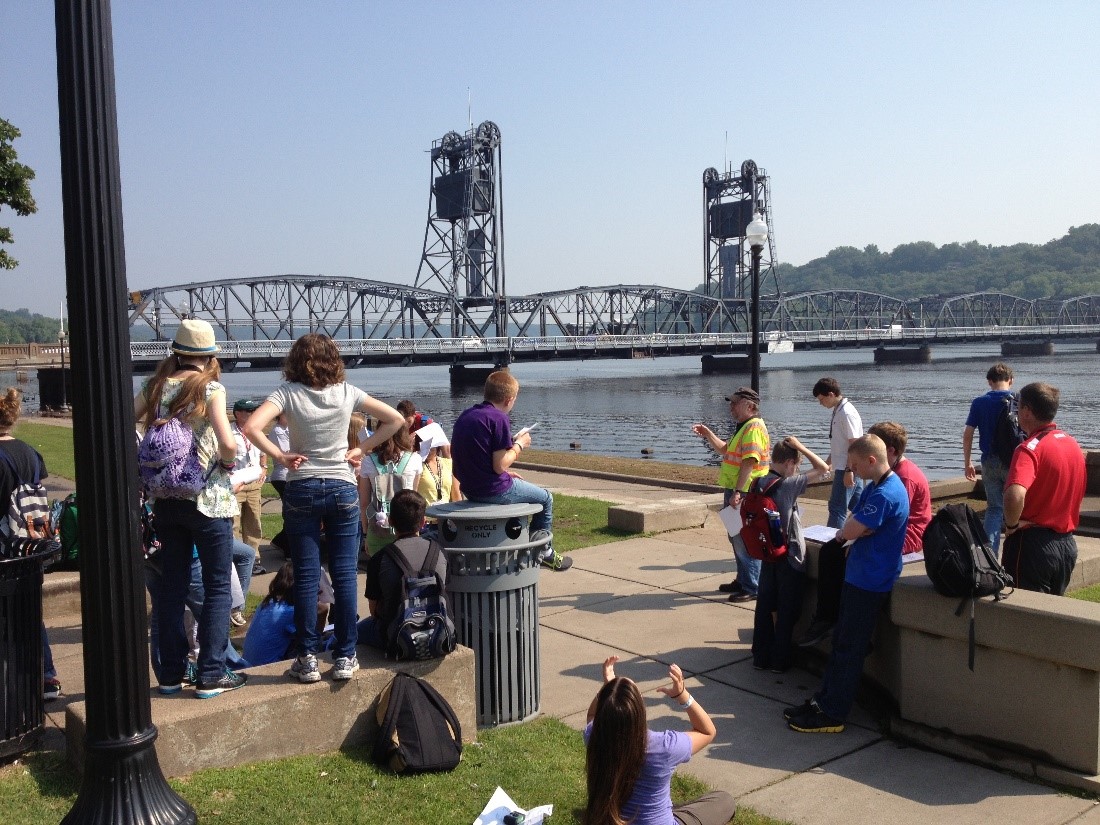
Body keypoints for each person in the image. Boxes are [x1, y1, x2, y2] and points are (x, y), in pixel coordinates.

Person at [243, 332, 404, 684]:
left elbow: (252, 426)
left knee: (305, 575)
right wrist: (362, 449)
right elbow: (396, 420)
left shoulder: (287, 393)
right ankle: (346, 655)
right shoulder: (348, 393)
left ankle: (307, 657)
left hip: (302, 489)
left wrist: (280, 456)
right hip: (343, 487)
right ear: (334, 360)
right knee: (345, 574)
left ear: (295, 361)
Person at [133, 319, 247, 698]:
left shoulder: (155, 387)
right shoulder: (211, 389)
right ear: (209, 356)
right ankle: (211, 674)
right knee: (217, 588)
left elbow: (125, 421)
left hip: (166, 500)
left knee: (171, 587)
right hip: (207, 500)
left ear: (176, 352)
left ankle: (169, 674)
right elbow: (228, 444)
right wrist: (228, 464)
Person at [786, 434, 908, 734]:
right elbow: (854, 522)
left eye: (854, 465)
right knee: (841, 644)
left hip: (870, 582)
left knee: (849, 649)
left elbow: (849, 528)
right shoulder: (876, 486)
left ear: (871, 460)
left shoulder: (886, 493)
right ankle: (823, 701)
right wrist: (853, 530)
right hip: (859, 577)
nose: (851, 470)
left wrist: (849, 533)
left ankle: (833, 713)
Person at [797, 421, 931, 648]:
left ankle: (829, 619)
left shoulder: (903, 478)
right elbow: (858, 517)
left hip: (906, 535)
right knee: (832, 550)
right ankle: (827, 618)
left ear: (889, 451)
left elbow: (885, 520)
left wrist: (856, 532)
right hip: (888, 529)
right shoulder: (885, 475)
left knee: (839, 554)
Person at [583, 655, 735, 825]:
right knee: (723, 800)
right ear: (639, 710)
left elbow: (591, 715)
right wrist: (682, 695)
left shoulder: (595, 738)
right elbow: (708, 731)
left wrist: (609, 690)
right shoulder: (664, 747)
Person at [451, 370, 572, 571]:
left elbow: (477, 458)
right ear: (509, 400)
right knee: (546, 498)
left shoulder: (466, 416)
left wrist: (504, 473)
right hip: (492, 490)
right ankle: (544, 551)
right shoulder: (499, 419)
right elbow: (499, 464)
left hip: (470, 488)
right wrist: (520, 445)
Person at [0, 387, 62, 701]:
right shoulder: (29, 453)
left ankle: (14, 688)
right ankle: (47, 676)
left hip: (4, 547)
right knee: (31, 612)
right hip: (30, 544)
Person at [751, 436, 830, 673]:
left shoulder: (758, 482)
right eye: (795, 465)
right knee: (787, 609)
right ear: (788, 463)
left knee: (765, 606)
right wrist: (801, 447)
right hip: (789, 554)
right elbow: (823, 469)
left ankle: (760, 656)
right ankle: (780, 660)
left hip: (767, 552)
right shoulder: (788, 485)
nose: (796, 470)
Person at [1001, 382, 1086, 595]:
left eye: (1019, 407)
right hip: (1066, 543)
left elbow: (1014, 494)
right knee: (1051, 617)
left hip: (1032, 546)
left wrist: (1011, 526)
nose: (1017, 412)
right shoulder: (1072, 444)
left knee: (1023, 615)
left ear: (1027, 411)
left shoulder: (1028, 449)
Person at [691, 386, 770, 602]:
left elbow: (749, 462)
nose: (731, 406)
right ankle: (743, 579)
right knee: (735, 536)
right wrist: (708, 434)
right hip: (737, 490)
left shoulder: (753, 428)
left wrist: (739, 492)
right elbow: (726, 450)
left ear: (751, 406)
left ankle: (752, 585)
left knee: (744, 537)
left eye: (735, 402)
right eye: (731, 402)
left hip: (745, 492)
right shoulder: (743, 426)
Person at [357, 490, 448, 652]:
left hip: (396, 637)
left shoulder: (379, 559)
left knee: (347, 634)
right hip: (437, 633)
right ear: (423, 522)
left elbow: (373, 611)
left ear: (390, 521)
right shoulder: (440, 552)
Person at [963, 362, 1015, 554]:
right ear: (1011, 380)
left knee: (994, 509)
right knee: (1018, 507)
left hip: (989, 461)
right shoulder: (1018, 400)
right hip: (1014, 461)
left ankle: (989, 556)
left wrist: (967, 462)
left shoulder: (979, 402)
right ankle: (1016, 551)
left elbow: (968, 434)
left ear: (989, 382)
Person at [243, 561, 334, 666]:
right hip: (271, 666)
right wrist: (322, 612)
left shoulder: (269, 602)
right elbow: (313, 641)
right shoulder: (292, 612)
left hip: (250, 663)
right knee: (327, 641)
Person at [360, 427, 423, 556]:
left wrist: (366, 533)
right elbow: (414, 500)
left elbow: (364, 503)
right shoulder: (415, 459)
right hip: (408, 531)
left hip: (377, 530)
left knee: (377, 573)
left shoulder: (368, 461)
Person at [812, 377, 864, 529]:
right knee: (859, 507)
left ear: (831, 394)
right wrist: (828, 463)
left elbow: (854, 444)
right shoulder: (838, 410)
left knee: (837, 509)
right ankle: (871, 533)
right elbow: (839, 444)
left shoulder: (846, 413)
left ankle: (831, 542)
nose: (821, 403)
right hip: (846, 467)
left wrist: (849, 470)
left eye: (821, 399)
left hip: (847, 468)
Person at [229, 397, 268, 573]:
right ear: (238, 413)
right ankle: (234, 558)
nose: (253, 414)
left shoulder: (255, 430)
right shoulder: (229, 431)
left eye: (254, 411)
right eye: (249, 411)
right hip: (236, 482)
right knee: (233, 524)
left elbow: (263, 450)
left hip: (254, 483)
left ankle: (254, 559)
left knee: (254, 522)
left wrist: (264, 467)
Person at [268, 412, 291, 553]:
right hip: (282, 476)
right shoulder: (278, 431)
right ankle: (286, 547)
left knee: (291, 512)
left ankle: (280, 541)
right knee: (291, 512)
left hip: (289, 475)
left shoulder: (290, 429)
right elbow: (286, 452)